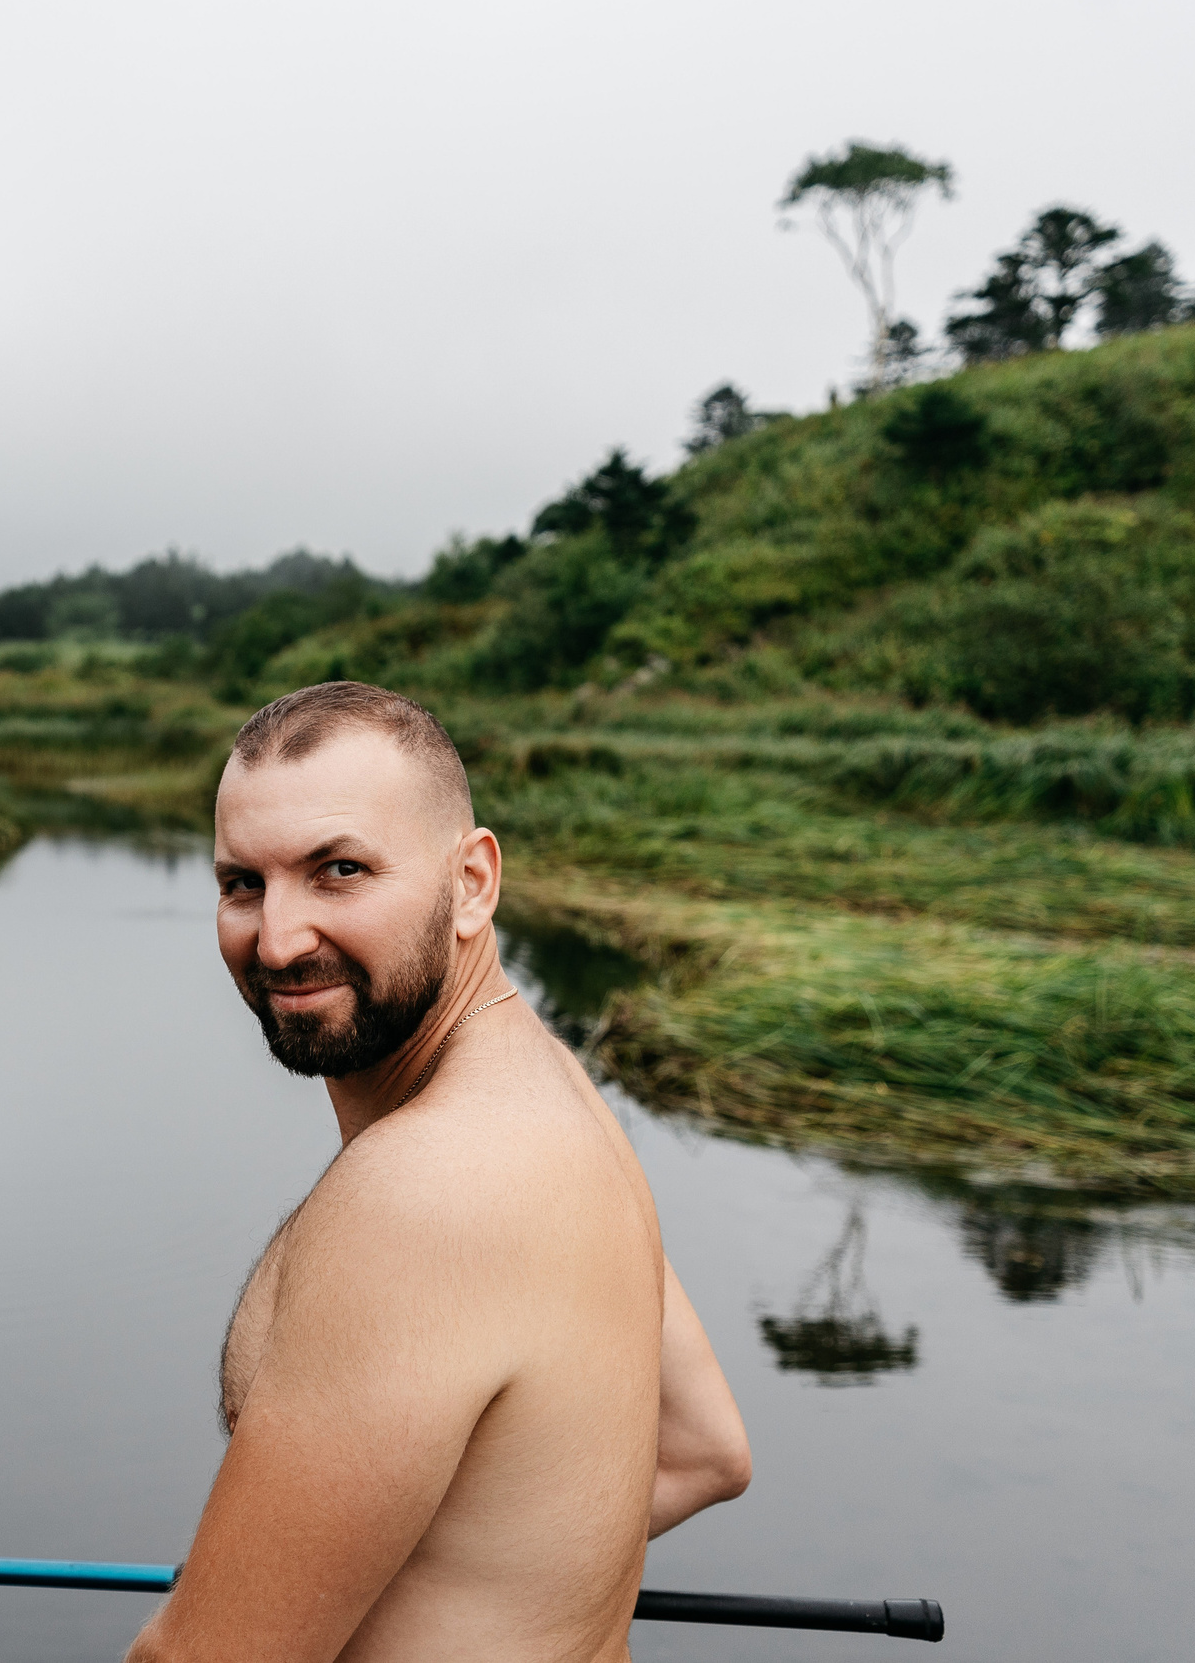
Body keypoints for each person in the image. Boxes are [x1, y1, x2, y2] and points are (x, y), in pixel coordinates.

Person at [127, 682, 749, 1663]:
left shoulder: (423, 1196)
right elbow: (703, 1450)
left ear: (472, 882)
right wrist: (423, 1578)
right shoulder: (554, 1099)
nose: (277, 939)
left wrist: (257, 1606)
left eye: (338, 871)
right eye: (242, 883)